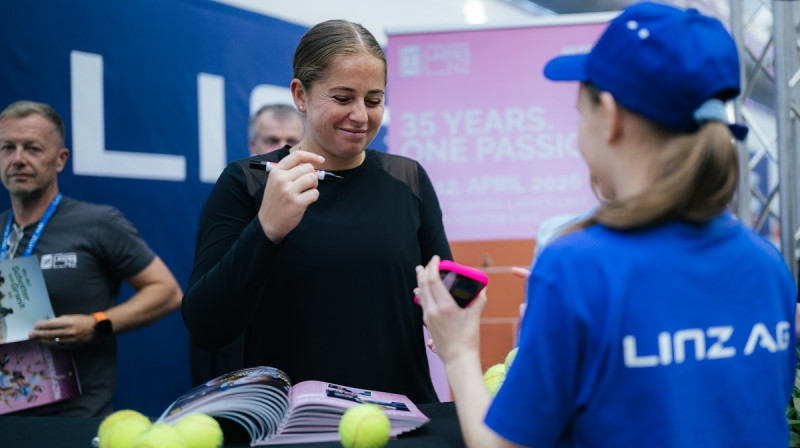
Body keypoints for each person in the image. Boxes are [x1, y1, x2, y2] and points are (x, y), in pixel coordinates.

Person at [414, 3, 797, 447]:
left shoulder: (577, 269)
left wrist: (458, 351)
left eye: (581, 113)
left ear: (610, 116)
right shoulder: (767, 266)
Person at [182, 20, 451, 404]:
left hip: (402, 416)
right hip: (294, 425)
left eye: (373, 100)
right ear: (300, 94)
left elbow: (439, 291)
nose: (361, 115)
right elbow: (207, 325)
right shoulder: (249, 183)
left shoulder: (408, 179)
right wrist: (267, 230)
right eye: (343, 98)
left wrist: (450, 310)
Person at [0, 100, 183, 417]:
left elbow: (167, 292)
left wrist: (95, 324)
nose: (18, 159)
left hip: (73, 419)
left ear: (60, 159)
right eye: (7, 148)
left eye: (32, 148)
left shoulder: (97, 222)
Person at [190, 103, 305, 386]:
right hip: (236, 358)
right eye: (272, 141)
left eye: (291, 142)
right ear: (253, 144)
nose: (282, 149)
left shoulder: (311, 196)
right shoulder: (233, 192)